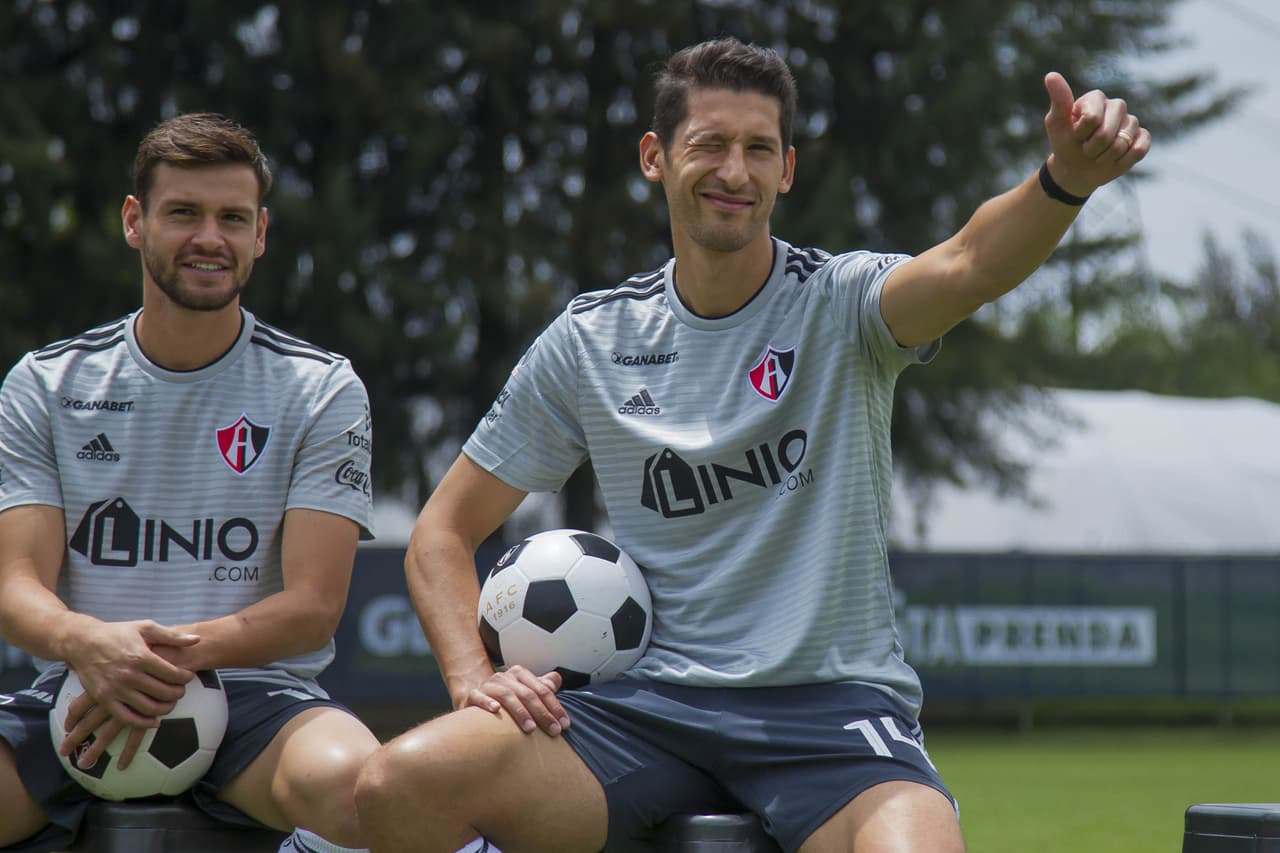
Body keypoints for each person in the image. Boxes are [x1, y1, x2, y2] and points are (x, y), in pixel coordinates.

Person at [355, 37, 1150, 853]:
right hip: (645, 710)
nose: (735, 172)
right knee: (393, 787)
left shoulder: (841, 307)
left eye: (758, 150)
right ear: (655, 158)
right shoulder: (593, 338)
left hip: (831, 711)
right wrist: (474, 680)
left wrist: (1064, 182)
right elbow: (441, 532)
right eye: (710, 146)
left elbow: (970, 261)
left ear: (787, 170)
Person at [0, 113, 380, 853]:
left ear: (260, 233)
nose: (211, 237)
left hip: (257, 697)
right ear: (135, 222)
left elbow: (311, 609)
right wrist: (89, 643)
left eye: (232, 218)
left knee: (370, 793)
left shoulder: (319, 387)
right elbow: (16, 590)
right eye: (184, 213)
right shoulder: (45, 384)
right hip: (78, 695)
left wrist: (151, 658)